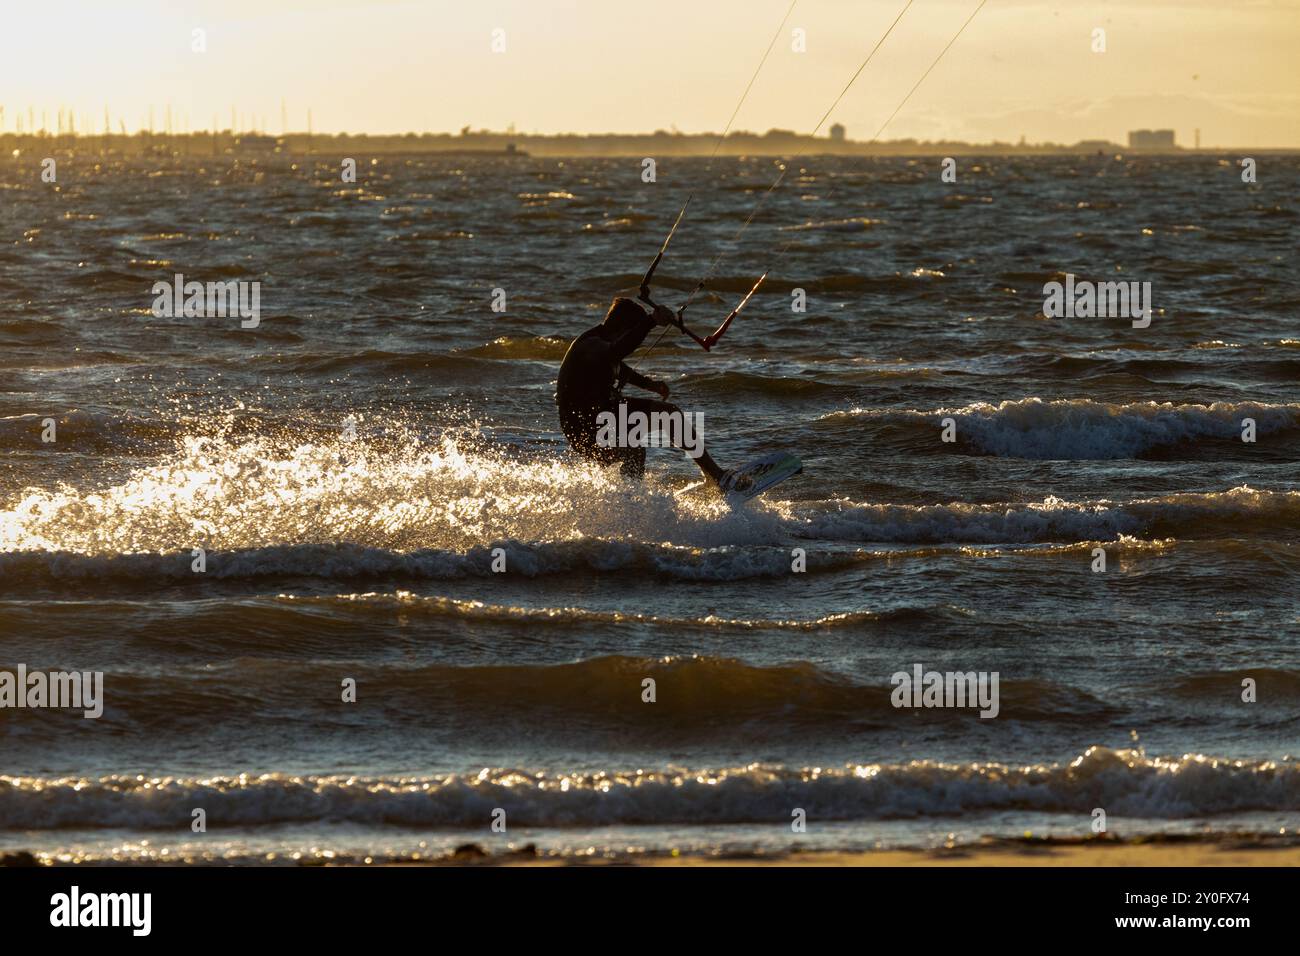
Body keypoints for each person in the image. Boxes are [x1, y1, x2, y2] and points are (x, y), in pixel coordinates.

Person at [556, 297, 741, 488]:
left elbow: (616, 365)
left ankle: (715, 476)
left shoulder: (604, 345)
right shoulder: (590, 345)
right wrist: (650, 322)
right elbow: (616, 352)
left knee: (670, 415)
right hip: (581, 427)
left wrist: (649, 384)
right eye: (632, 332)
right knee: (633, 450)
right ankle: (630, 502)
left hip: (604, 412)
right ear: (623, 327)